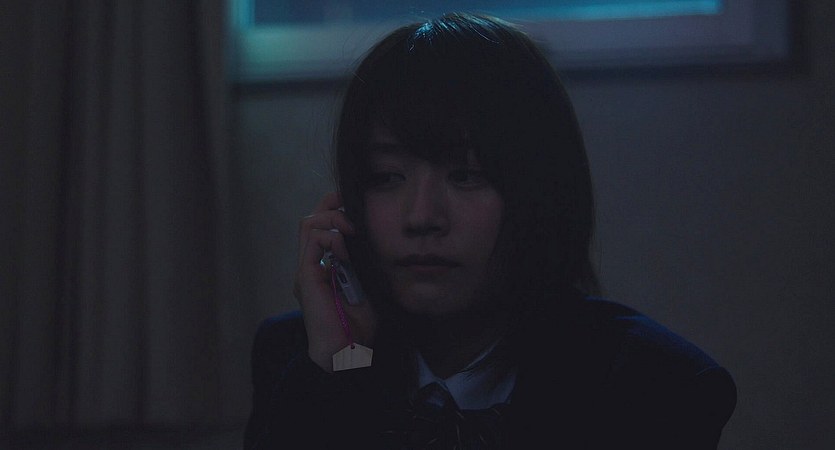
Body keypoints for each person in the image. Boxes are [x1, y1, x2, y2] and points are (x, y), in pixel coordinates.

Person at [243, 12, 737, 450]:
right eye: (386, 177)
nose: (421, 216)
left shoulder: (652, 384)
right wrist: (343, 363)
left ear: (538, 192)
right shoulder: (310, 354)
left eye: (466, 175)